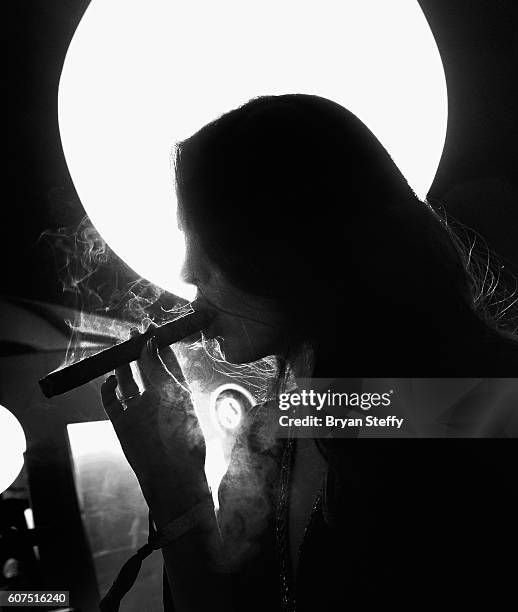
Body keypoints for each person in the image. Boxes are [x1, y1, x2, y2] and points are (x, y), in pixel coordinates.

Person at [100, 94, 518, 611]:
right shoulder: (271, 433)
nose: (186, 271)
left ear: (287, 241)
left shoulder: (491, 400)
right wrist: (175, 490)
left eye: (206, 239)